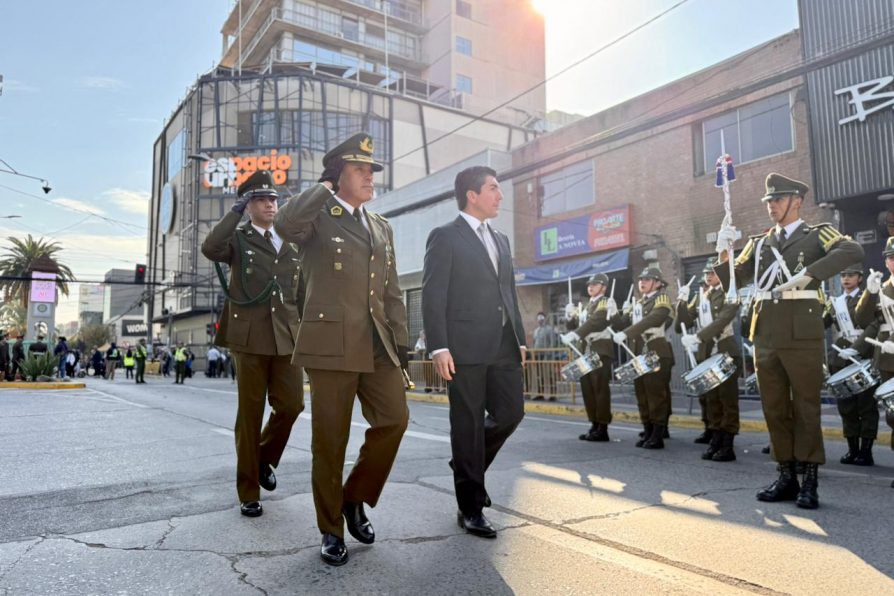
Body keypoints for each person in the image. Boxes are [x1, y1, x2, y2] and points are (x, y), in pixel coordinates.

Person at [274, 132, 409, 566]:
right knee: (329, 442)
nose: (370, 177)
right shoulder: (318, 216)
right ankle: (331, 528)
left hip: (376, 344)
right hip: (330, 345)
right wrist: (323, 188)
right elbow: (283, 225)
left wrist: (402, 347)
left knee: (394, 420)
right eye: (360, 170)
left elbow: (392, 292)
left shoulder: (381, 226)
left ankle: (354, 498)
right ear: (337, 177)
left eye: (372, 170)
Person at [714, 173, 863, 509]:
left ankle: (809, 479)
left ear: (797, 201)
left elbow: (851, 248)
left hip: (802, 332)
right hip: (765, 332)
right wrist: (723, 252)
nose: (772, 207)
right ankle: (786, 475)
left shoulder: (817, 234)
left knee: (806, 407)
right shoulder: (759, 242)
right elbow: (733, 283)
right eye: (769, 201)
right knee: (775, 408)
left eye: (778, 199)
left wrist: (811, 275)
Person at [422, 165, 527, 540]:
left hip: (502, 345)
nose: (500, 196)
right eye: (494, 189)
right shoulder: (446, 237)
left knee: (511, 413)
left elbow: (509, 292)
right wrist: (438, 346)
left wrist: (521, 338)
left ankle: (466, 462)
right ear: (472, 194)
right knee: (466, 424)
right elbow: (433, 295)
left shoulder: (501, 239)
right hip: (462, 348)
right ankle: (471, 507)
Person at [202, 169, 305, 519]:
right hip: (248, 339)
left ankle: (263, 461)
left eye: (273, 199)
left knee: (292, 405)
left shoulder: (288, 241)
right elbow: (210, 248)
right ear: (248, 206)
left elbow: (300, 291)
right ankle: (249, 490)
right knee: (250, 416)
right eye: (261, 200)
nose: (270, 205)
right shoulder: (239, 237)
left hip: (286, 337)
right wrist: (233, 213)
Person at [675, 259, 741, 461]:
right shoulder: (702, 296)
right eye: (706, 274)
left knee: (727, 399)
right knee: (712, 400)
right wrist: (682, 304)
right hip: (707, 354)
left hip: (724, 351)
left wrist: (698, 337)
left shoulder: (730, 292)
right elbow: (681, 325)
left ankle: (728, 444)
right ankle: (716, 438)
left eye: (712, 273)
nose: (708, 277)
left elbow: (724, 319)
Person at [609, 267, 674, 449]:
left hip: (655, 351)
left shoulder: (662, 299)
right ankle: (647, 428)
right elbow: (621, 324)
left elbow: (653, 319)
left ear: (658, 283)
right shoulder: (638, 303)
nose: (642, 282)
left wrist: (627, 332)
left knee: (655, 394)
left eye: (647, 279)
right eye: (641, 279)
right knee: (642, 393)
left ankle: (658, 433)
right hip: (637, 352)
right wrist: (614, 313)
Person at [826, 265, 876, 465]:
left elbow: (872, 324)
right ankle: (852, 449)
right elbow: (824, 323)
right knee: (846, 406)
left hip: (863, 354)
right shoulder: (835, 302)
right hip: (841, 356)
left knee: (866, 405)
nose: (846, 279)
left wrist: (857, 347)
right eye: (843, 275)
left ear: (860, 278)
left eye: (851, 275)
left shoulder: (868, 297)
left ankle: (866, 451)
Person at [855, 240, 894, 487]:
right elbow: (862, 319)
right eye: (890, 257)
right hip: (888, 360)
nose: (893, 261)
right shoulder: (882, 289)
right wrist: (869, 293)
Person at [560, 274, 618, 441]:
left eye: (595, 284)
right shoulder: (587, 305)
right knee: (588, 389)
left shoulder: (605, 302)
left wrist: (575, 333)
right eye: (589, 284)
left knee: (600, 389)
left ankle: (603, 427)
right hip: (585, 351)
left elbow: (596, 322)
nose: (590, 287)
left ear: (604, 287)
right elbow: (575, 325)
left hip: (599, 348)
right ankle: (594, 424)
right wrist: (570, 316)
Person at [531, 311, 559, 400]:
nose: (540, 320)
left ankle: (553, 394)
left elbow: (552, 342)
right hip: (537, 356)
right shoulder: (536, 331)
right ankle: (540, 393)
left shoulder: (549, 329)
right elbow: (534, 343)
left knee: (549, 374)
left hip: (547, 356)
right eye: (538, 318)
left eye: (541, 318)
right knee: (539, 375)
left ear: (544, 319)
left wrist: (549, 354)